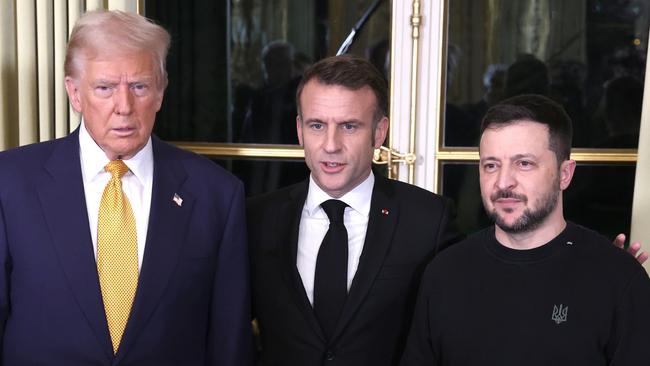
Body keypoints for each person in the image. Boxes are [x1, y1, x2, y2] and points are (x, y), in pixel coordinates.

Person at [0, 10, 251, 365]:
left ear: (161, 92)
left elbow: (229, 344)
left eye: (139, 86)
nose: (124, 106)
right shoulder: (10, 183)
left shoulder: (217, 195)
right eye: (105, 87)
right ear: (74, 92)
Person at [401, 94, 650, 365]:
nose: (503, 182)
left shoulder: (618, 277)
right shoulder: (444, 273)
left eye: (524, 163)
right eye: (491, 165)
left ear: (564, 174)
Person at [246, 55, 461, 365]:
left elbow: (448, 338)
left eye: (349, 126)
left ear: (378, 132)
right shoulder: (256, 219)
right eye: (317, 125)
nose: (331, 145)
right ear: (299, 130)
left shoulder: (428, 221)